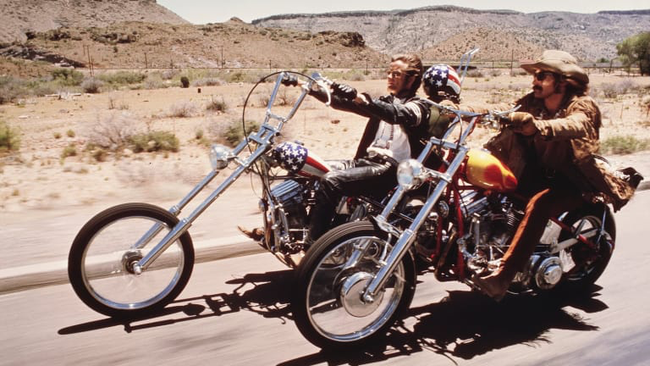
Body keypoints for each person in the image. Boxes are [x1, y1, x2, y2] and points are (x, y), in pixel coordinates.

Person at [472, 50, 642, 300]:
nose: (535, 81)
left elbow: (577, 124)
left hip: (572, 181)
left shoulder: (582, 104)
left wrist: (537, 126)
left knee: (540, 204)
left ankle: (503, 276)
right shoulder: (533, 101)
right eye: (535, 75)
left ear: (562, 82)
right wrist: (463, 109)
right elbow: (503, 109)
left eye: (542, 76)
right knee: (490, 183)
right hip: (536, 173)